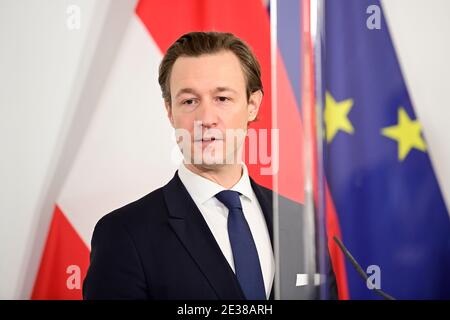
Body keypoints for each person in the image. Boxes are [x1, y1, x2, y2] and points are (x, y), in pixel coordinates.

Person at [83, 31, 337, 300]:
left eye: (222, 98)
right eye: (189, 101)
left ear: (252, 105)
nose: (206, 118)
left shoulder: (303, 226)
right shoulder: (124, 234)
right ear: (170, 111)